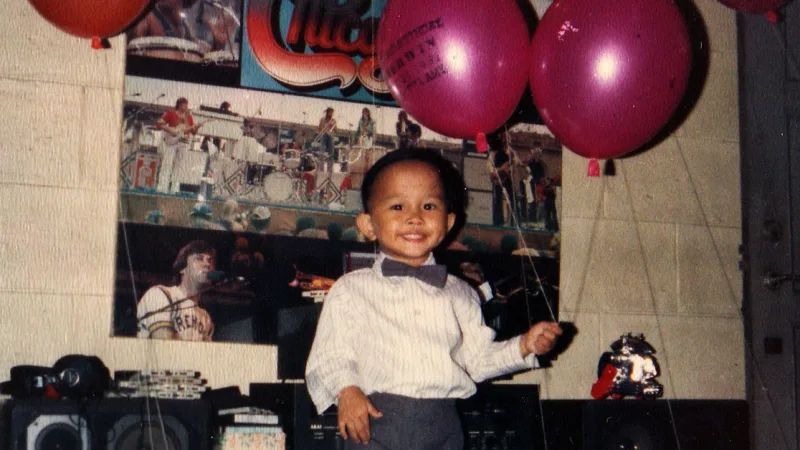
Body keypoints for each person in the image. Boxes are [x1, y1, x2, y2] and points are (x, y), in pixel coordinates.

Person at [305, 148, 563, 449]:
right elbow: (330, 354)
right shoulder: (351, 289)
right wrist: (346, 391)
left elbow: (476, 362)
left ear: (449, 221)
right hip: (375, 422)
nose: (414, 218)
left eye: (428, 206)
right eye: (398, 207)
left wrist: (523, 346)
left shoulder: (461, 293)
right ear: (368, 225)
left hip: (443, 425)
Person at [136, 240, 216, 341]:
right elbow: (165, 345)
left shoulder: (206, 318)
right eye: (199, 258)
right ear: (182, 269)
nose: (207, 264)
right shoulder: (160, 294)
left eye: (210, 260)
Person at [156, 97, 204, 193]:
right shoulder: (171, 113)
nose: (186, 106)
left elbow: (193, 132)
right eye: (184, 104)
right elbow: (158, 123)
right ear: (179, 104)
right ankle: (162, 188)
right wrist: (170, 130)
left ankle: (174, 189)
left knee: (179, 166)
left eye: (187, 104)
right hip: (172, 142)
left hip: (184, 142)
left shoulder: (189, 117)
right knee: (167, 164)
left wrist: (197, 127)